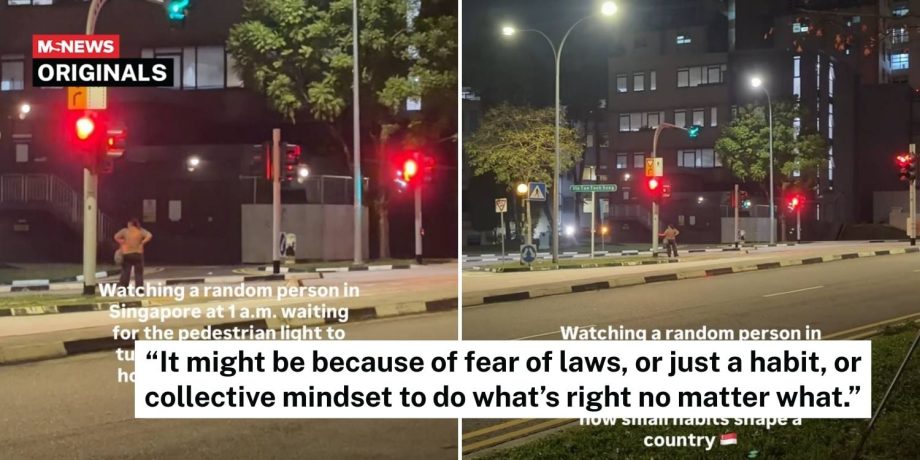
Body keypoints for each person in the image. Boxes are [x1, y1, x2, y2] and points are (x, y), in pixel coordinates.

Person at [114, 218, 152, 287]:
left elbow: (116, 236)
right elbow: (149, 235)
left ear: (130, 224)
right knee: (138, 273)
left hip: (127, 254)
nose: (127, 224)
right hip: (138, 254)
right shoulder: (140, 230)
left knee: (126, 272)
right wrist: (142, 242)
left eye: (128, 223)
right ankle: (139, 289)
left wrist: (122, 242)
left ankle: (123, 288)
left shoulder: (125, 231)